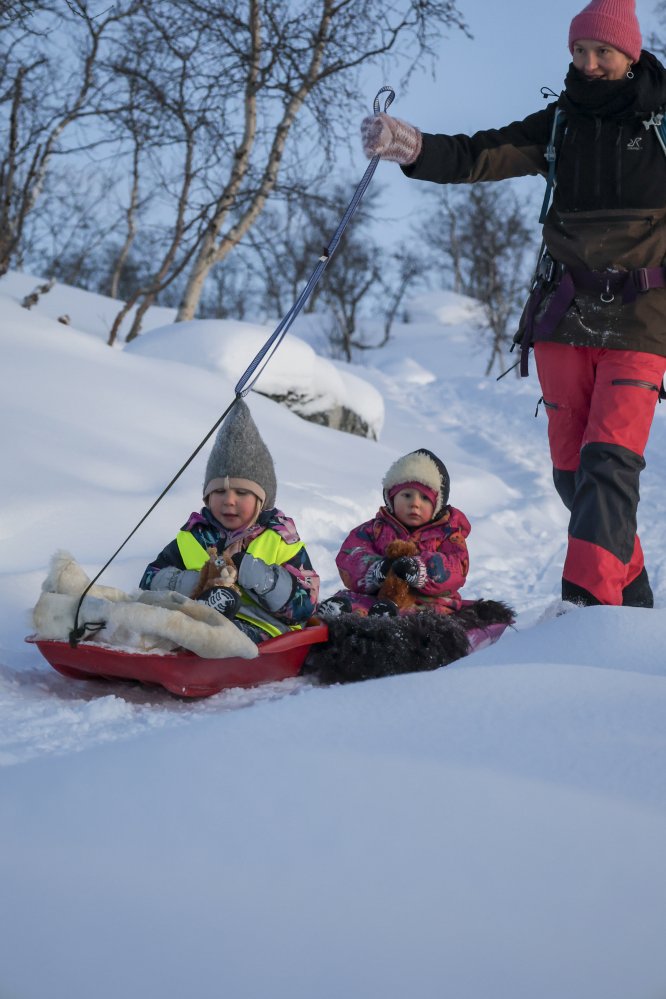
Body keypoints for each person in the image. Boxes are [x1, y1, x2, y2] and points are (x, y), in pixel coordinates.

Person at [361, 0, 666, 609]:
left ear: (630, 56)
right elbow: (484, 153)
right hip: (563, 314)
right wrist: (414, 147)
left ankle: (589, 612)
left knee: (608, 464)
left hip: (642, 318)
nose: (589, 62)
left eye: (602, 51)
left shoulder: (660, 121)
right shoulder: (561, 123)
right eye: (579, 51)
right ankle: (631, 606)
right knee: (572, 473)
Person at [140, 399, 320, 643]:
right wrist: (191, 582)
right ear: (206, 497)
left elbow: (305, 605)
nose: (229, 501)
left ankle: (206, 643)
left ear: (262, 500)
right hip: (194, 620)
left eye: (242, 493)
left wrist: (262, 577)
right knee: (166, 625)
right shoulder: (195, 536)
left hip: (263, 629)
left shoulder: (280, 540)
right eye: (219, 492)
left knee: (223, 637)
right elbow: (149, 581)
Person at [317, 447, 470, 618]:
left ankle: (386, 620)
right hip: (377, 596)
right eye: (406, 495)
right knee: (353, 600)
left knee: (427, 613)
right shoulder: (375, 529)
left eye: (425, 498)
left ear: (437, 505)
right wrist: (376, 570)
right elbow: (350, 555)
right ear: (391, 497)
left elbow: (457, 567)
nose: (415, 504)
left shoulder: (447, 535)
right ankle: (341, 614)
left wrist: (420, 570)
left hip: (426, 600)